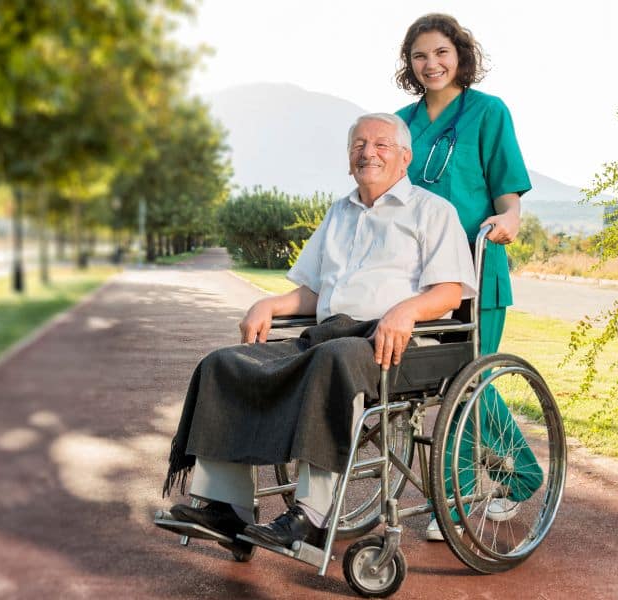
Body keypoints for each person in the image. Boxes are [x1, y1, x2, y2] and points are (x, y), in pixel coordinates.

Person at [163, 113, 477, 552]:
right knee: (224, 364)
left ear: (405, 158)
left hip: (397, 342)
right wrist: (270, 303)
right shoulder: (340, 211)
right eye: (359, 145)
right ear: (349, 159)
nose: (368, 152)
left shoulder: (431, 211)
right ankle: (226, 508)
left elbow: (448, 291)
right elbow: (313, 291)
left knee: (335, 359)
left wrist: (406, 310)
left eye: (381, 145)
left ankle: (311, 517)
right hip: (331, 334)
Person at [394, 13, 543, 541]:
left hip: (477, 270)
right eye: (419, 55)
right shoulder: (400, 123)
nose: (430, 63)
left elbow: (506, 190)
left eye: (440, 52)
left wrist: (510, 220)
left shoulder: (488, 112)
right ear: (408, 64)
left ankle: (453, 502)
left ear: (459, 56)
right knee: (448, 381)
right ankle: (520, 473)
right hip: (416, 278)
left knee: (467, 380)